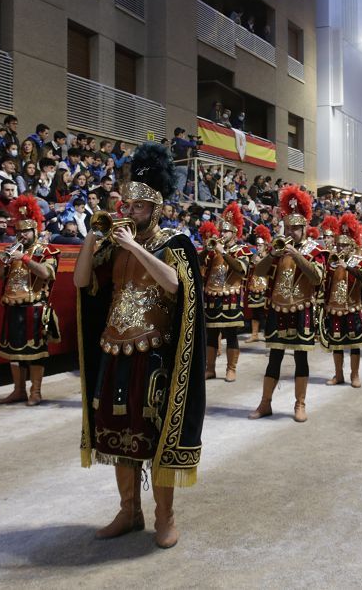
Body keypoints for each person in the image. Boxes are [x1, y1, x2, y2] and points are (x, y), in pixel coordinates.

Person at [73, 141, 205, 549]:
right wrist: (92, 239)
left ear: (155, 208)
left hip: (154, 354)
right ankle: (129, 511)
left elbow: (176, 285)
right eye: (125, 206)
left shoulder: (175, 243)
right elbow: (80, 282)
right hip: (114, 349)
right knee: (116, 433)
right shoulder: (110, 243)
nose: (128, 213)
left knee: (156, 434)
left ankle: (165, 516)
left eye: (137, 207)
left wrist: (133, 246)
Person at [248, 186, 326, 422]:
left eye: (296, 228)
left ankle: (299, 404)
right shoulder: (277, 249)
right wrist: (272, 254)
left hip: (302, 308)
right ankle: (265, 403)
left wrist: (297, 255)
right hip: (277, 308)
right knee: (275, 357)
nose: (291, 232)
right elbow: (258, 273)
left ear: (304, 229)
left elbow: (317, 278)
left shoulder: (316, 250)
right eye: (288, 227)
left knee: (301, 358)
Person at [0, 196, 60, 406]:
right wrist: (3, 261)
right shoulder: (12, 251)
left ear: (35, 231)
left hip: (35, 307)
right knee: (14, 353)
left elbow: (47, 273)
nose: (22, 235)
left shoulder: (47, 251)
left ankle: (35, 392)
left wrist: (24, 258)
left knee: (34, 353)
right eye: (19, 232)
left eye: (26, 231)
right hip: (12, 305)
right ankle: (18, 390)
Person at [199, 202, 249, 382]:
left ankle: (231, 369)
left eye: (227, 232)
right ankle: (210, 368)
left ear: (235, 233)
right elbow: (198, 264)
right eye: (221, 232)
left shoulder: (242, 250)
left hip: (232, 296)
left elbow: (240, 268)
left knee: (231, 335)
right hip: (212, 296)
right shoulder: (213, 251)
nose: (222, 235)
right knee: (211, 334)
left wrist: (224, 252)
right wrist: (206, 250)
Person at [321, 213, 362, 387]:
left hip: (352, 308)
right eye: (338, 244)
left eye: (344, 245)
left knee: (354, 343)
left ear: (351, 246)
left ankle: (354, 375)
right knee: (336, 343)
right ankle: (338, 374)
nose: (340, 247)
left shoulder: (358, 261)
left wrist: (347, 266)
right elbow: (325, 283)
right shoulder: (331, 262)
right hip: (334, 307)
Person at [244, 224, 271, 343]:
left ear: (265, 246)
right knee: (254, 312)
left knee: (264, 312)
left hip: (264, 286)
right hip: (254, 286)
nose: (258, 247)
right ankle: (254, 334)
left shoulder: (269, 256)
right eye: (257, 245)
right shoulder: (254, 255)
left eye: (260, 245)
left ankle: (267, 334)